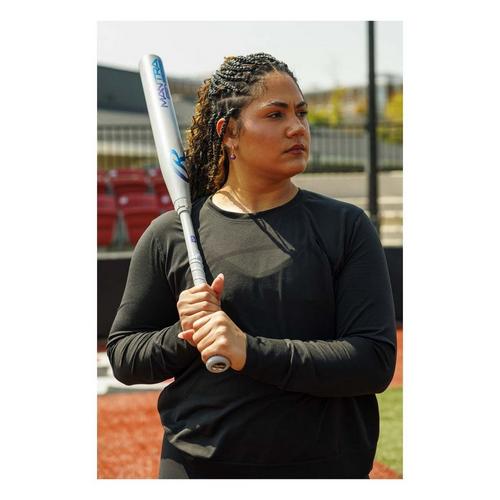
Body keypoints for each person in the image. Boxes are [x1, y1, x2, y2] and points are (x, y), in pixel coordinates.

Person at [107, 53, 396, 479]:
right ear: (228, 133)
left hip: (325, 470)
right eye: (275, 114)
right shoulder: (170, 233)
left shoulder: (346, 226)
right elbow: (125, 356)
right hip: (198, 470)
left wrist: (248, 351)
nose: (297, 127)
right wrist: (185, 333)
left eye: (301, 113)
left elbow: (372, 361)